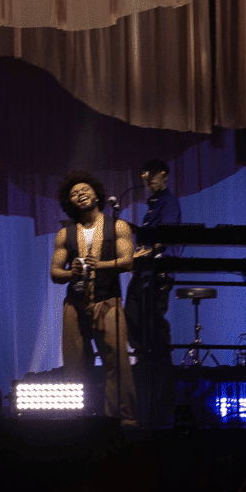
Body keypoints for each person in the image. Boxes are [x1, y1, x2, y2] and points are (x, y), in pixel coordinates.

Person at [49, 172, 138, 423]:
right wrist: (70, 272)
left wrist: (100, 265)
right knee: (75, 366)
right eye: (75, 193)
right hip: (75, 304)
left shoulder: (117, 225)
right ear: (69, 202)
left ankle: (123, 421)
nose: (81, 193)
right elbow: (55, 272)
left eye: (85, 189)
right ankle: (77, 420)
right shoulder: (65, 234)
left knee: (117, 363)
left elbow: (128, 261)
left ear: (97, 194)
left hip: (107, 301)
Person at [126, 158, 181, 370]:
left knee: (153, 315)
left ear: (165, 175)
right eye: (145, 174)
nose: (148, 179)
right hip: (145, 268)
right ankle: (143, 358)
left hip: (160, 268)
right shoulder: (154, 204)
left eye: (153, 174)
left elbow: (165, 234)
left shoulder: (168, 201)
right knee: (133, 310)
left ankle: (162, 362)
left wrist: (147, 250)